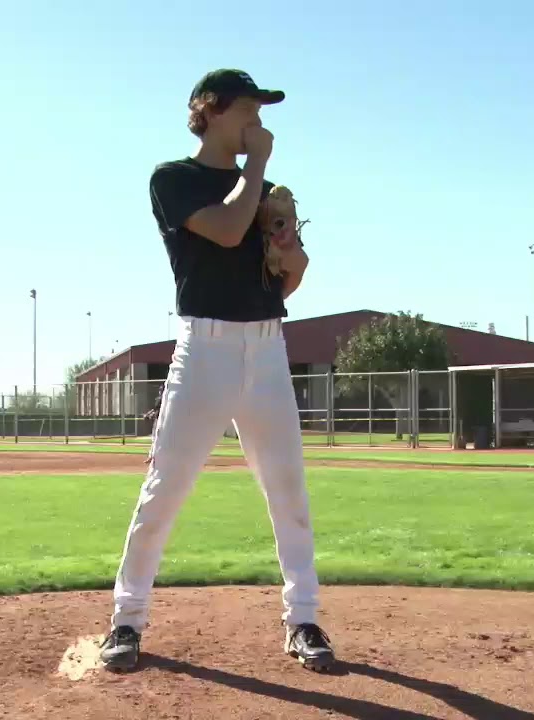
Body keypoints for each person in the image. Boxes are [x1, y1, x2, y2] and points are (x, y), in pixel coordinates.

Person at [97, 68, 335, 673]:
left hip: (267, 348)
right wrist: (255, 174)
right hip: (202, 350)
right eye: (250, 109)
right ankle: (126, 621)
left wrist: (285, 240)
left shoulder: (265, 186)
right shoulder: (173, 178)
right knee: (165, 489)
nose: (259, 121)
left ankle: (303, 619)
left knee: (289, 492)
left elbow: (289, 279)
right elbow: (227, 232)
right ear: (210, 108)